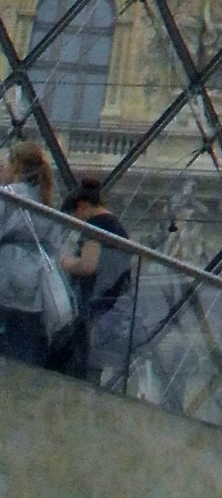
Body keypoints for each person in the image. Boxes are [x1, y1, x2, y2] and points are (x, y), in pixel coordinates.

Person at [0, 140, 75, 369]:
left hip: (7, 273)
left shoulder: (8, 195)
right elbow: (54, 244)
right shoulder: (47, 199)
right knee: (23, 343)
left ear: (16, 166)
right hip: (35, 282)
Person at [57, 172, 134, 385]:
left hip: (96, 304)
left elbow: (88, 265)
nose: (75, 224)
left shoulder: (96, 226)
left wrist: (65, 262)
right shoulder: (116, 226)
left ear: (82, 207)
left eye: (74, 217)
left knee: (80, 362)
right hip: (113, 304)